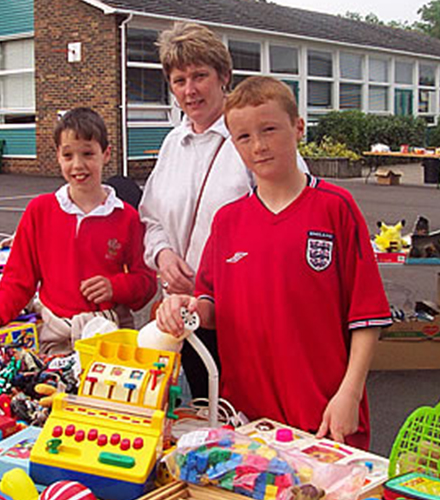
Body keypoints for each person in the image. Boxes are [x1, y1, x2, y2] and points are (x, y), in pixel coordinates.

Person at [156, 76, 392, 450]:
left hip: (324, 415)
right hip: (248, 422)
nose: (259, 146)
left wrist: (350, 393)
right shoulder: (228, 221)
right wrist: (185, 309)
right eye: (244, 137)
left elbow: (366, 316)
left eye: (269, 130)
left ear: (298, 128)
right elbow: (212, 307)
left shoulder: (335, 208)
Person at [139, 22, 308, 399]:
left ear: (224, 77)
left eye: (200, 76)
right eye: (179, 79)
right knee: (196, 411)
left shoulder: (251, 139)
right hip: (181, 314)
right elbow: (150, 217)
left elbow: (291, 219)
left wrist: (212, 281)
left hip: (240, 318)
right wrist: (163, 256)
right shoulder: (172, 144)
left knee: (248, 417)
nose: (190, 89)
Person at [0, 107, 157, 355]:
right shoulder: (39, 211)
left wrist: (116, 286)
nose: (78, 165)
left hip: (109, 333)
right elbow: (18, 281)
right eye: (68, 155)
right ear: (58, 157)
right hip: (55, 334)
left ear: (106, 154)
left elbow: (147, 284)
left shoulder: (127, 217)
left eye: (88, 153)